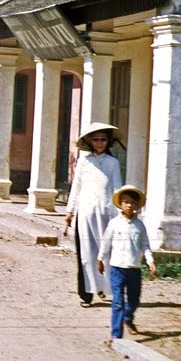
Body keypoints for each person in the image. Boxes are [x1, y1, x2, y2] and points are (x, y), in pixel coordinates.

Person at [64, 122, 124, 307]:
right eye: (96, 139)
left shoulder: (112, 163)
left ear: (109, 141)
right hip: (85, 214)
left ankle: (104, 288)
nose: (99, 143)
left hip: (107, 213)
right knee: (85, 254)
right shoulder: (84, 161)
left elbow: (117, 187)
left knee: (105, 252)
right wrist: (70, 211)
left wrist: (121, 211)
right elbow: (76, 187)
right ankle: (86, 294)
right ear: (90, 141)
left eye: (103, 139)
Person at [98, 185, 156, 342]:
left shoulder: (140, 225)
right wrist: (100, 259)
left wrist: (150, 261)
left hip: (134, 269)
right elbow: (106, 242)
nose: (129, 205)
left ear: (137, 205)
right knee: (117, 301)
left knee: (134, 300)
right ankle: (116, 335)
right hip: (117, 268)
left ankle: (128, 317)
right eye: (126, 202)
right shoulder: (114, 223)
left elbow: (145, 245)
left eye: (132, 202)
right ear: (121, 204)